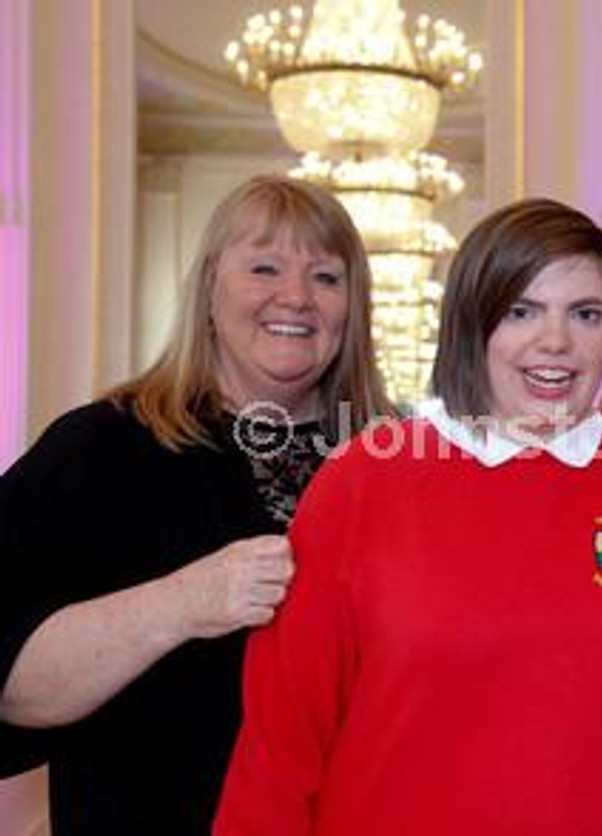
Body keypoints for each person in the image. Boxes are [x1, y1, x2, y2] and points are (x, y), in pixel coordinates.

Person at [214, 198, 602, 835]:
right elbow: (279, 747)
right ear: (471, 322)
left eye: (585, 314)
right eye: (521, 311)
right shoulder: (361, 482)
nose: (556, 342)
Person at [0, 174, 393, 835]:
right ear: (209, 290)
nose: (295, 296)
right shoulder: (100, 448)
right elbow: (11, 685)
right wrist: (182, 603)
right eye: (264, 266)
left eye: (327, 277)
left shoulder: (396, 462)